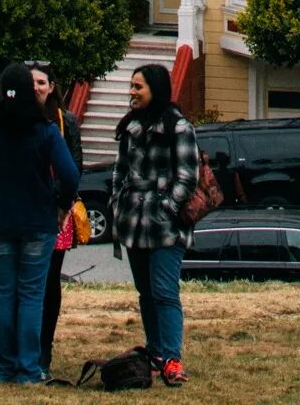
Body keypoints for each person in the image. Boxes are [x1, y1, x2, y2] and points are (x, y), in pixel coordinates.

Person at [0, 60, 80, 386]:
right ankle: (28, 368)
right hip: (38, 222)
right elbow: (70, 174)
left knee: (3, 294)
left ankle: (2, 367)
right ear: (30, 92)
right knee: (31, 296)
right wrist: (61, 204)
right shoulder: (46, 131)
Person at [109, 63, 200, 388]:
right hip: (133, 224)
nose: (132, 93)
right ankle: (156, 353)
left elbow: (188, 176)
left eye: (138, 87)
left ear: (155, 90)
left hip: (165, 227)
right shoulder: (130, 126)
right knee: (145, 294)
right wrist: (118, 204)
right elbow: (119, 172)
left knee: (164, 293)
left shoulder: (178, 127)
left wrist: (166, 207)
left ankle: (172, 358)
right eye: (131, 87)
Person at [33, 65, 87, 375]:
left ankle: (44, 348)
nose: (37, 88)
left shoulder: (66, 122)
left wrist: (58, 203)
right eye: (32, 83)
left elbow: (74, 167)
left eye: (42, 82)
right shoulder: (17, 118)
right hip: (26, 212)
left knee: (50, 282)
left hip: (56, 212)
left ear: (52, 86)